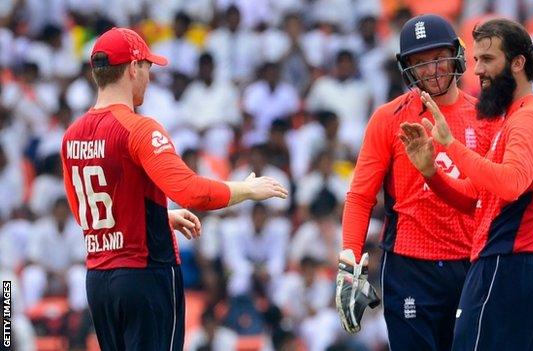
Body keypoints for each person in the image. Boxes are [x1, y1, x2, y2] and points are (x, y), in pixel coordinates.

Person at [60, 27, 288, 351]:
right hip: (144, 277)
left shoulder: (72, 135)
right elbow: (191, 191)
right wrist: (247, 189)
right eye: (148, 68)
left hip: (99, 281)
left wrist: (159, 218)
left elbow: (90, 211)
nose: (149, 78)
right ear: (133, 68)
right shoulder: (138, 128)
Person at [399, 18, 533, 350]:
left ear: (518, 63)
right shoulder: (514, 118)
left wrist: (451, 145)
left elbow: (510, 184)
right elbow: (476, 197)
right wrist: (431, 174)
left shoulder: (527, 119)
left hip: (506, 260)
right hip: (514, 261)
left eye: (487, 60)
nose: (477, 70)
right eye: (476, 59)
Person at [335, 14, 500, 350]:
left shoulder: (486, 115)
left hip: (471, 264)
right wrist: (350, 263)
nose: (431, 69)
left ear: (455, 54)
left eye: (438, 57)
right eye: (420, 62)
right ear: (407, 68)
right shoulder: (387, 118)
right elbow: (360, 196)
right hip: (408, 265)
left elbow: (495, 197)